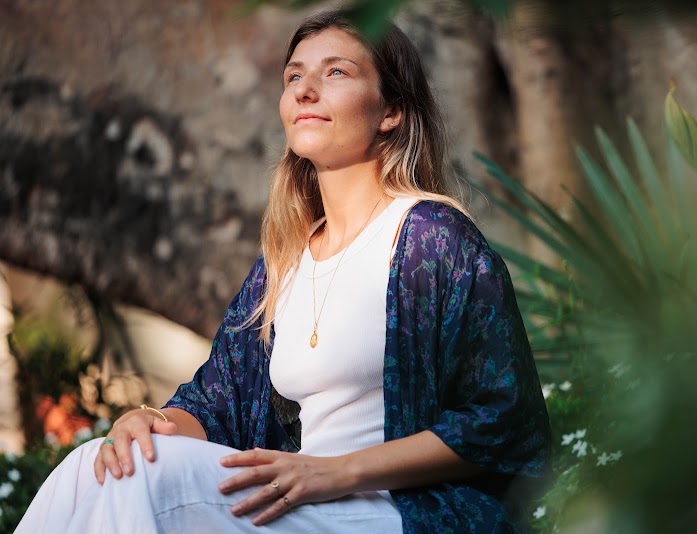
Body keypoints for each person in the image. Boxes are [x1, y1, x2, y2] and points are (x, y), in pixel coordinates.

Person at [16, 9, 551, 533]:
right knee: (94, 464)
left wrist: (336, 472)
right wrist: (150, 423)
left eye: (335, 72)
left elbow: (503, 418)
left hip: (395, 509)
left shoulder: (430, 239)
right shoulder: (284, 264)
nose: (305, 90)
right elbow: (216, 404)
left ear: (391, 110)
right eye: (294, 76)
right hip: (301, 506)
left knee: (143, 479)